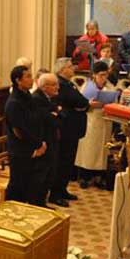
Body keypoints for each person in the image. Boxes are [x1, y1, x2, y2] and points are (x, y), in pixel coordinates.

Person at [4, 66, 50, 206]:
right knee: (18, 187)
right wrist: (37, 145)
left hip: (33, 147)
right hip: (21, 151)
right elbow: (19, 131)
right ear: (18, 80)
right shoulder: (14, 102)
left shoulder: (28, 96)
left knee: (33, 185)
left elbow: (36, 120)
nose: (32, 79)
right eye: (28, 76)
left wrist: (41, 142)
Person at [49, 58, 90, 205]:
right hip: (65, 129)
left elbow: (82, 102)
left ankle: (62, 189)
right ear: (62, 70)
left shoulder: (69, 83)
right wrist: (84, 105)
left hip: (72, 129)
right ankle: (55, 194)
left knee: (68, 162)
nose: (73, 68)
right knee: (62, 162)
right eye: (70, 66)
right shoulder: (61, 84)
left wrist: (84, 105)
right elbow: (80, 102)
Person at [75, 61, 115, 189]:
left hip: (105, 120)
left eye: (106, 75)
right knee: (88, 150)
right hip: (91, 120)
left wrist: (109, 104)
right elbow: (79, 104)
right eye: (101, 75)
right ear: (94, 75)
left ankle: (99, 177)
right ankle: (84, 177)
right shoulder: (87, 86)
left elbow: (115, 102)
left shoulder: (110, 87)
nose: (104, 78)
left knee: (101, 151)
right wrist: (88, 104)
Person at [32, 73, 62, 206]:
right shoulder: (37, 98)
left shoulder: (50, 98)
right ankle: (38, 204)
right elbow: (51, 120)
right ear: (44, 87)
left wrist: (56, 113)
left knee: (49, 173)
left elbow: (58, 116)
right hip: (43, 141)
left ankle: (42, 202)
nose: (57, 87)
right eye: (54, 85)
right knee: (41, 175)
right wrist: (55, 114)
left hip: (51, 139)